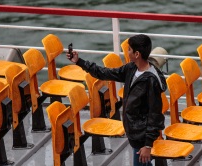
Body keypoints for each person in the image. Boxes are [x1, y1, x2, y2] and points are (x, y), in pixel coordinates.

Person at [66, 34, 166, 166]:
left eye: (129, 49)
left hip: (141, 136)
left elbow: (155, 115)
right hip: (134, 131)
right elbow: (104, 73)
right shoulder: (131, 68)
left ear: (137, 54)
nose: (127, 51)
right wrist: (80, 62)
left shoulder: (151, 81)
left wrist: (147, 145)